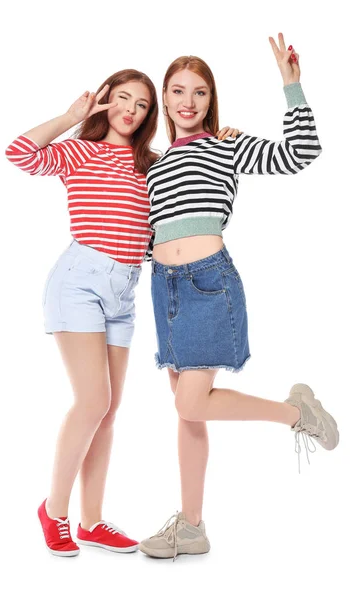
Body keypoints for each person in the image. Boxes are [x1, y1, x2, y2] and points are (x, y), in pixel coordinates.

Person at [5, 69, 239, 557]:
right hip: (80, 281)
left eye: (142, 104)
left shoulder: (151, 164)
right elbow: (19, 153)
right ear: (105, 102)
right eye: (122, 99)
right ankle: (55, 510)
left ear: (152, 115)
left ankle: (91, 522)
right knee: (92, 402)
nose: (130, 110)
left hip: (126, 289)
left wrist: (221, 142)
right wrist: (71, 118)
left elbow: (181, 204)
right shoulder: (80, 152)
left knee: (107, 412)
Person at [139, 33, 339, 561]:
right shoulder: (155, 165)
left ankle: (295, 414)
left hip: (209, 283)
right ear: (164, 98)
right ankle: (192, 525)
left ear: (211, 99)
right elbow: (147, 235)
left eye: (199, 92)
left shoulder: (225, 143)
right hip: (167, 290)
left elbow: (301, 153)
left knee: (189, 400)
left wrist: (292, 87)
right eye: (177, 91)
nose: (188, 102)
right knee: (189, 414)